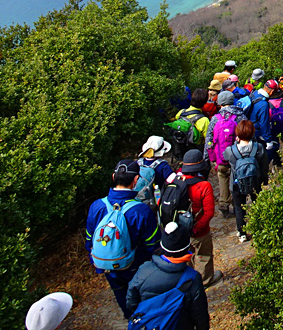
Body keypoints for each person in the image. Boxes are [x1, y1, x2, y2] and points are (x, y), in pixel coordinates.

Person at [86, 160, 160, 318]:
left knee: (123, 301)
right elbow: (153, 246)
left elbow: (89, 240)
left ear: (113, 177)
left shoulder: (97, 206)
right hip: (135, 267)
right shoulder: (141, 210)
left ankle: (131, 320)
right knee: (142, 302)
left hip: (108, 267)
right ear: (135, 181)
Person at [126, 220, 210, 330]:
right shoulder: (192, 278)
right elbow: (200, 315)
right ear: (186, 248)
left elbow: (131, 302)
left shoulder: (144, 270)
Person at [177, 150, 223, 287]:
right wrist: (197, 228)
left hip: (180, 229)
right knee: (204, 256)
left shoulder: (176, 182)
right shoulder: (203, 186)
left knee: (186, 256)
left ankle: (188, 281)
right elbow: (209, 212)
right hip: (200, 229)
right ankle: (205, 280)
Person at [224, 121, 270, 242]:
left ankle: (242, 232)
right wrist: (264, 180)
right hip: (255, 180)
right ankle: (259, 229)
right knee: (257, 204)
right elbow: (264, 166)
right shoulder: (258, 148)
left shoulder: (231, 150)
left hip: (236, 183)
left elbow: (225, 158)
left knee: (239, 208)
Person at [204, 91, 246, 215]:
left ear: (220, 103)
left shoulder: (215, 119)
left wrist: (208, 157)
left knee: (222, 177)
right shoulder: (240, 116)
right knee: (236, 178)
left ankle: (224, 203)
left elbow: (209, 140)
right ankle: (237, 203)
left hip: (221, 157)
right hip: (237, 156)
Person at [138, 135, 175, 202]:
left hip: (138, 196)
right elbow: (172, 180)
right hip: (156, 197)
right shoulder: (163, 165)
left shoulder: (139, 162)